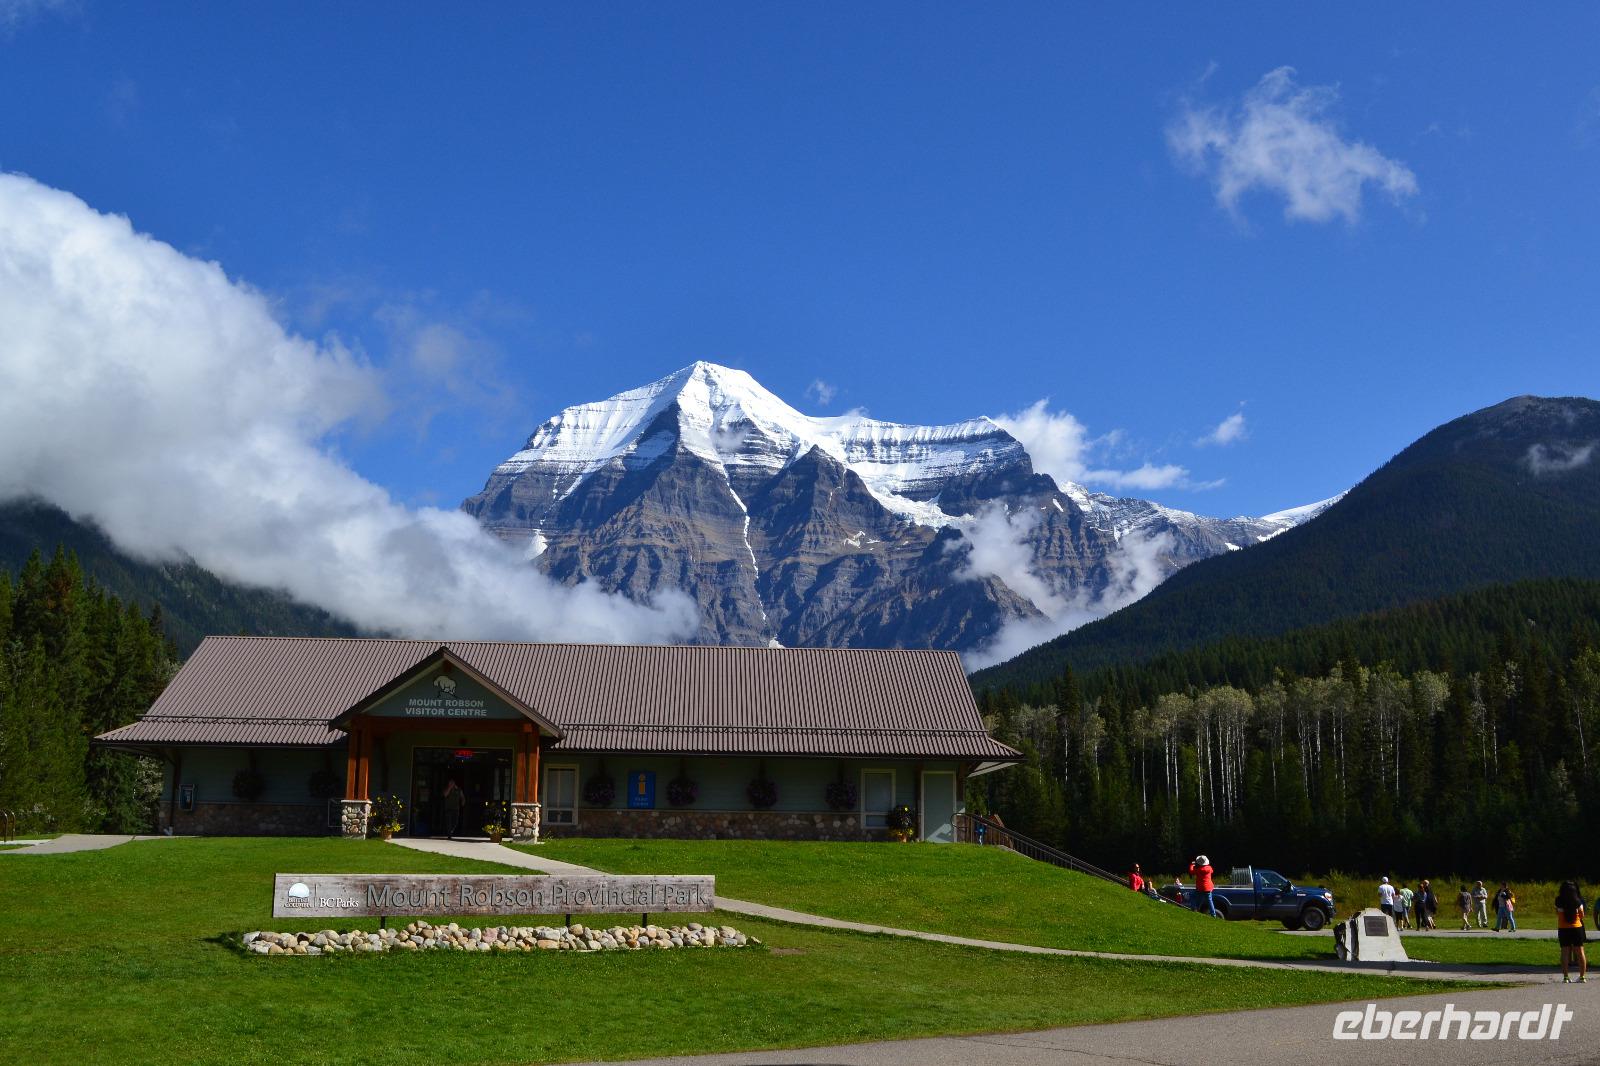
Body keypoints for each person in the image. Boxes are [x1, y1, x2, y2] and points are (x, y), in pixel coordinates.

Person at [1556, 881, 1588, 983]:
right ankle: (1582, 977)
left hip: (1563, 928)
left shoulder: (1559, 900)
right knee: (1580, 952)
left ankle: (1566, 977)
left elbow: (1557, 913)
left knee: (1565, 952)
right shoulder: (1578, 901)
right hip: (1577, 928)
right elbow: (1582, 915)